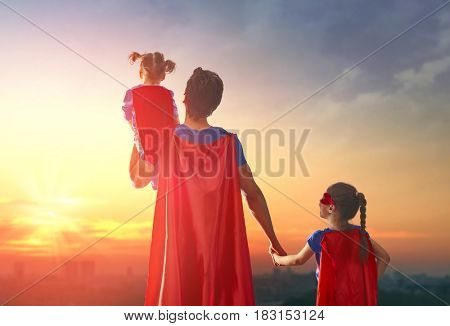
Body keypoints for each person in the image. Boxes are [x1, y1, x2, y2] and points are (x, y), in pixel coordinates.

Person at [129, 67, 287, 305]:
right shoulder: (230, 143)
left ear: (184, 97)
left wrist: (137, 135)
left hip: (178, 255)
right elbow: (253, 195)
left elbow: (138, 179)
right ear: (215, 105)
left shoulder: (163, 140)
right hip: (219, 255)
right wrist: (274, 241)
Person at [271, 182, 390, 305]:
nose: (319, 202)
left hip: (332, 299)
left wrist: (277, 259)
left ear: (331, 208)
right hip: (357, 299)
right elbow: (385, 257)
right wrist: (369, 282)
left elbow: (298, 260)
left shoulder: (320, 238)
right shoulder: (360, 234)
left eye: (323, 199)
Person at [123, 51, 179, 189]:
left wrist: (136, 132)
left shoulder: (132, 94)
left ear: (141, 71)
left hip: (145, 145)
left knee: (135, 180)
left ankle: (148, 163)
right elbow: (176, 122)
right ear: (163, 75)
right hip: (164, 147)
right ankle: (157, 179)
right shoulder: (168, 95)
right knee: (161, 181)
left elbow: (128, 116)